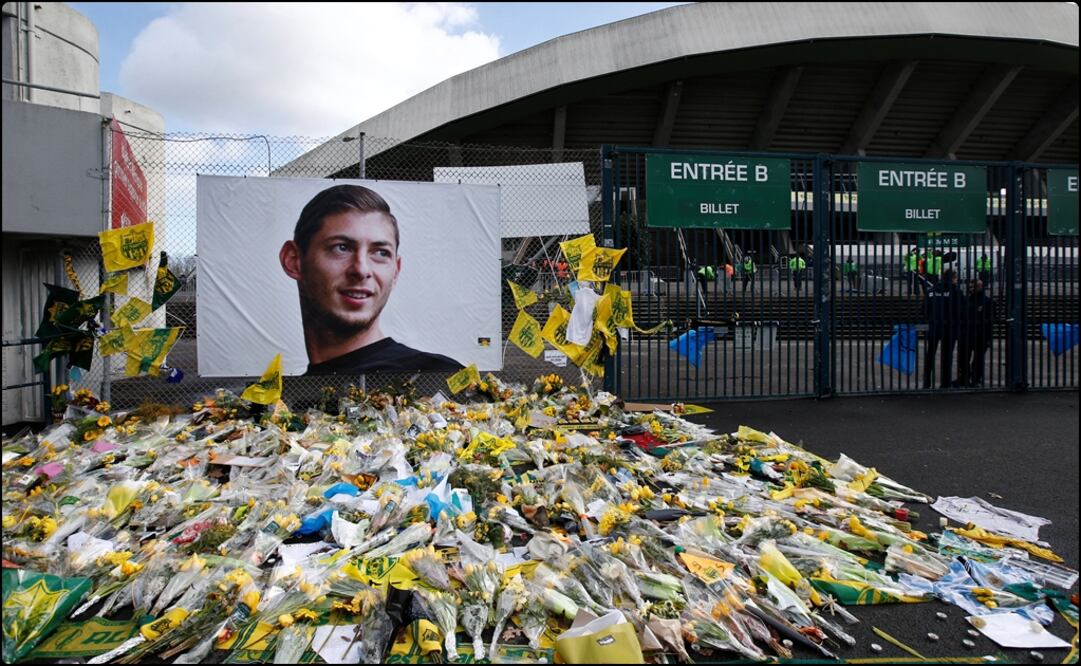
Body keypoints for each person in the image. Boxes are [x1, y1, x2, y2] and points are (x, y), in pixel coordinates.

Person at [279, 184, 463, 375]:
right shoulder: (277, 400)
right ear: (294, 261)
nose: (361, 270)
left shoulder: (441, 380)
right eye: (341, 248)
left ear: (395, 271)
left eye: (381, 253)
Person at [922, 268, 962, 389]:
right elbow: (961, 310)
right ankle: (945, 382)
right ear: (953, 278)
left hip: (933, 326)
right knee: (947, 356)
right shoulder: (955, 291)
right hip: (949, 328)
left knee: (930, 355)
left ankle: (927, 382)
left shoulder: (931, 291)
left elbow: (924, 309)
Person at [959, 279, 994, 387]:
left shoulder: (988, 302)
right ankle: (967, 378)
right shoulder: (966, 300)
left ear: (980, 287)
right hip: (968, 334)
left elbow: (990, 321)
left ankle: (975, 378)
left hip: (979, 334)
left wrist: (988, 338)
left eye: (973, 287)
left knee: (977, 359)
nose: (971, 289)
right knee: (964, 358)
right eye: (970, 287)